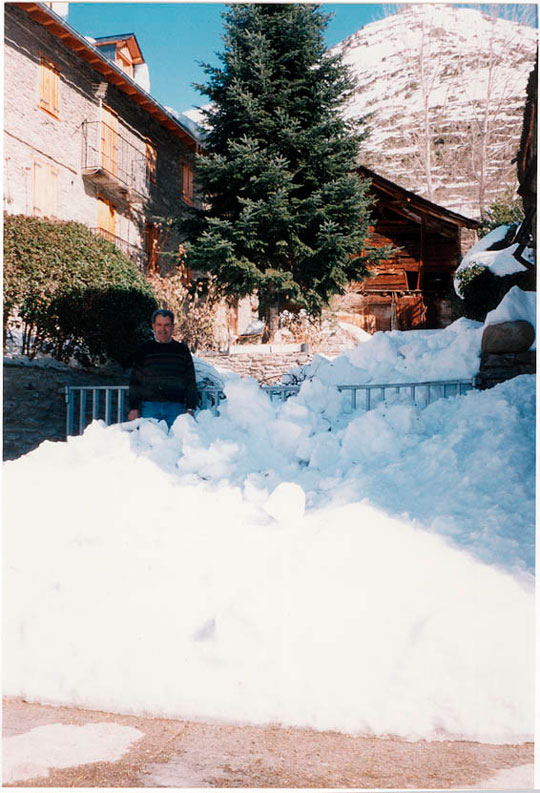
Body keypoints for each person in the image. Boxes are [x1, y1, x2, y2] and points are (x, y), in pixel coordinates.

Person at [127, 309, 198, 427]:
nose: (162, 329)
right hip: (149, 407)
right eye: (159, 325)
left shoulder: (182, 350)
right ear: (153, 326)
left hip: (175, 408)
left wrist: (191, 408)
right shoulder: (144, 350)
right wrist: (134, 408)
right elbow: (135, 381)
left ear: (172, 327)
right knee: (150, 442)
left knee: (174, 443)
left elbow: (190, 380)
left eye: (166, 325)